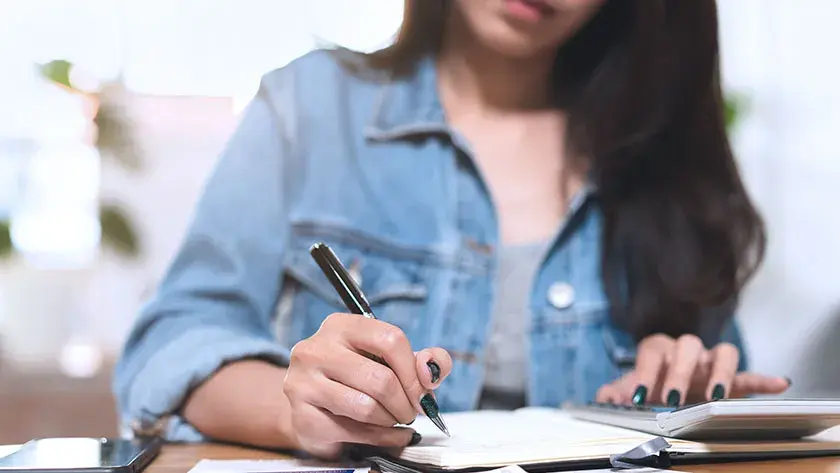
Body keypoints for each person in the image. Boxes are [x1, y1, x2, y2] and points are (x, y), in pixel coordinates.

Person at [113, 0, 791, 459]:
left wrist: (689, 400)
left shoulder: (667, 159)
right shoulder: (309, 109)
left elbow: (712, 385)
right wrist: (300, 410)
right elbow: (170, 346)